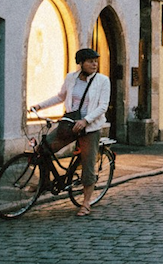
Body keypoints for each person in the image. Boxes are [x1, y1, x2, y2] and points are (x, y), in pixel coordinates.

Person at [31, 47, 110, 217]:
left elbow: (103, 106)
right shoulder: (71, 78)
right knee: (43, 149)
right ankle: (45, 183)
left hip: (90, 128)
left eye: (96, 61)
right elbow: (60, 96)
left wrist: (85, 120)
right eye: (90, 61)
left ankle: (86, 203)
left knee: (88, 165)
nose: (94, 64)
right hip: (69, 124)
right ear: (80, 63)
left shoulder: (102, 81)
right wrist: (39, 106)